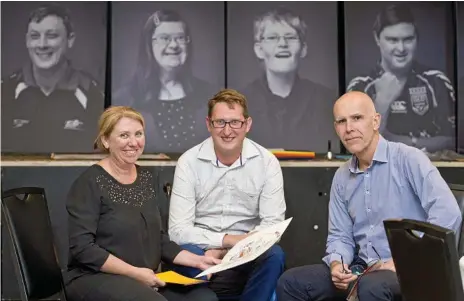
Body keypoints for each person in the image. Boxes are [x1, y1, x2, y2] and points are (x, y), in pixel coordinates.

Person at [276, 91, 462, 301]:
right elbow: (340, 237)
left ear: (375, 121)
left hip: (411, 270)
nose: (349, 128)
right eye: (341, 121)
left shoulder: (408, 159)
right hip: (363, 269)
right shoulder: (342, 177)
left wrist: (402, 261)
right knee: (291, 282)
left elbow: (448, 214)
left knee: (371, 287)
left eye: (357, 118)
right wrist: (338, 264)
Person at [64, 106, 220, 301]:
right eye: (124, 135)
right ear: (105, 140)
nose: (133, 142)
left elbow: (159, 239)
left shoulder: (148, 177)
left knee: (204, 299)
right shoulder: (88, 183)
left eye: (138, 134)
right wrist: (135, 273)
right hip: (94, 277)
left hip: (144, 277)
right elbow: (82, 249)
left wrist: (197, 260)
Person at [168, 89, 287, 301]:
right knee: (184, 253)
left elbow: (272, 227)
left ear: (247, 124)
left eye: (235, 122)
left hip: (246, 250)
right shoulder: (189, 162)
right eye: (220, 122)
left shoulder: (267, 162)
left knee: (274, 255)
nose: (227, 131)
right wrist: (226, 240)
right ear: (208, 124)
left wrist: (226, 250)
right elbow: (178, 231)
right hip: (200, 248)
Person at [346, 4, 455, 153]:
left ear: (417, 38)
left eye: (408, 39)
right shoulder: (360, 86)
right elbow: (359, 143)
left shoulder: (437, 81)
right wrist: (382, 102)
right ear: (377, 39)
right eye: (392, 40)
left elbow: (452, 140)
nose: (401, 48)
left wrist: (397, 140)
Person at [1, 4, 104, 154]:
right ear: (27, 41)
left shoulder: (93, 94)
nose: (42, 45)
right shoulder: (5, 91)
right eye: (35, 36)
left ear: (70, 39)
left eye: (51, 36)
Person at [113, 9, 216, 154]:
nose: (174, 45)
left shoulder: (210, 95)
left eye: (180, 38)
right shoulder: (124, 100)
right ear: (149, 44)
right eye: (164, 38)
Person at [242, 7, 338, 152]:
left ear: (303, 49)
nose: (282, 44)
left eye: (291, 37)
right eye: (273, 37)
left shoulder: (326, 101)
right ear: (259, 50)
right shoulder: (240, 103)